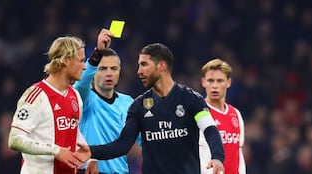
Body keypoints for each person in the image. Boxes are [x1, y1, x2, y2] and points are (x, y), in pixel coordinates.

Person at [77, 43, 225, 174]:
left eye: (144, 64)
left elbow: (210, 129)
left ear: (161, 66)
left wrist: (217, 157)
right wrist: (92, 151)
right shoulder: (138, 106)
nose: (139, 71)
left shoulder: (191, 100)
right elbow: (122, 145)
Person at [7, 29, 113, 174]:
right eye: (81, 61)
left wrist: (89, 159)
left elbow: (73, 132)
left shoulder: (74, 96)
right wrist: (56, 151)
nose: (83, 66)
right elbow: (15, 140)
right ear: (65, 60)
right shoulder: (35, 95)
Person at [72, 45, 141, 173]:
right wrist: (96, 54)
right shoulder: (84, 99)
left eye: (114, 69)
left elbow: (143, 140)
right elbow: (81, 84)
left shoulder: (128, 102)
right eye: (103, 69)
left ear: (120, 71)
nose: (109, 73)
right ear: (93, 72)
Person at [199, 58, 246, 174]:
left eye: (220, 81)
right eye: (210, 80)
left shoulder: (236, 114)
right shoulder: (197, 113)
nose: (215, 86)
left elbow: (238, 151)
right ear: (203, 82)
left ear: (228, 83)